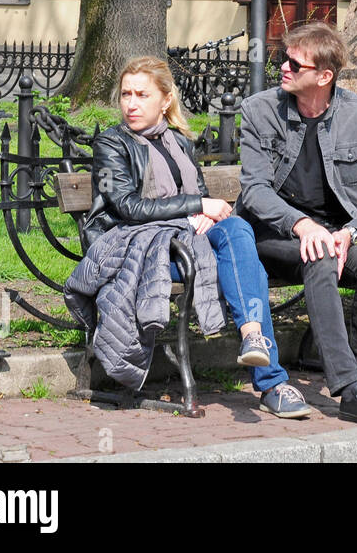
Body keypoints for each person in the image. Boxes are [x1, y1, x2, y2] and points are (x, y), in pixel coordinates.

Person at [70, 57, 311, 418]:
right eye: (125, 95)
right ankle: (272, 381)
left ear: (165, 101)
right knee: (247, 260)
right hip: (140, 250)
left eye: (142, 95)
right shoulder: (112, 144)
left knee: (237, 231)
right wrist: (196, 208)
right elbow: (127, 207)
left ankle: (253, 339)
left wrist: (198, 214)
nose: (131, 104)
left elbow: (198, 196)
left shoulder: (180, 142)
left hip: (186, 245)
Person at [237, 22, 357, 428]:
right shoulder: (260, 110)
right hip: (275, 233)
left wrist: (352, 232)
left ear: (324, 76)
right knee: (315, 256)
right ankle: (350, 391)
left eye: (295, 63)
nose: (283, 67)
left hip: (339, 229)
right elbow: (256, 191)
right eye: (283, 58)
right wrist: (301, 225)